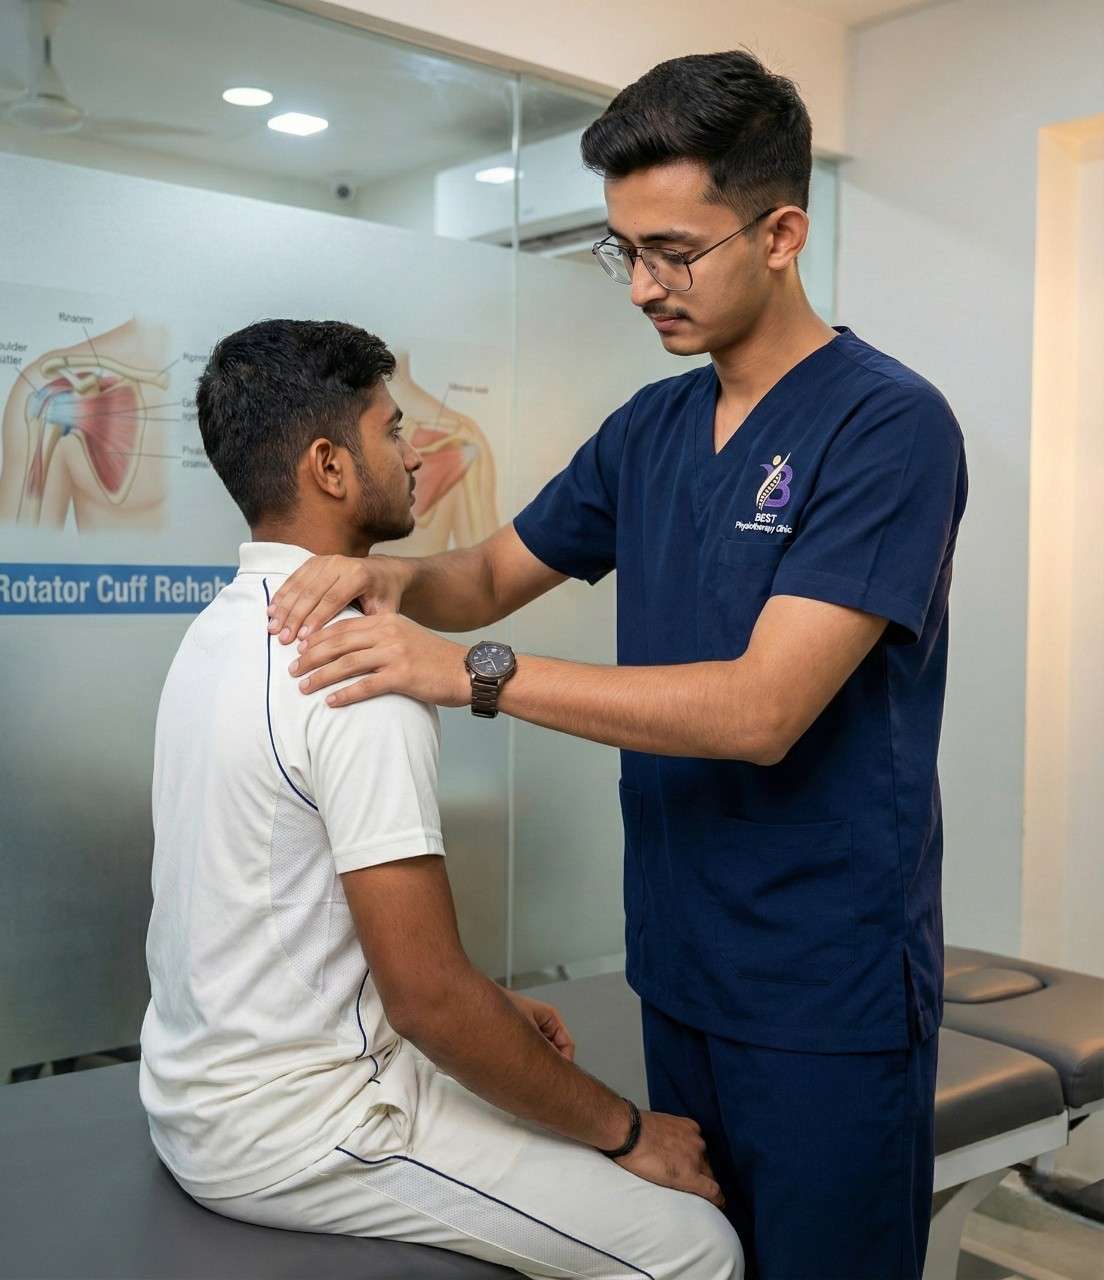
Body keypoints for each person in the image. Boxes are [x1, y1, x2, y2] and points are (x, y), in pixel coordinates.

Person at [267, 52, 968, 1280]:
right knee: (707, 1253)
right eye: (620, 251)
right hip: (680, 959)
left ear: (782, 230)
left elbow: (760, 709)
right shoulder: (649, 429)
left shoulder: (886, 425)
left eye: (673, 252)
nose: (641, 286)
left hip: (822, 981)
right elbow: (484, 574)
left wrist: (464, 672)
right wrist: (377, 578)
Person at [139, 318, 742, 1280]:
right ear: (330, 466)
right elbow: (425, 1000)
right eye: (391, 430)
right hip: (299, 1124)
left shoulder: (218, 632)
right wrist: (627, 1131)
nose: (415, 450)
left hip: (205, 1088)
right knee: (695, 1247)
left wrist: (493, 1011)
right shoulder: (355, 672)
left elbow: (269, 901)